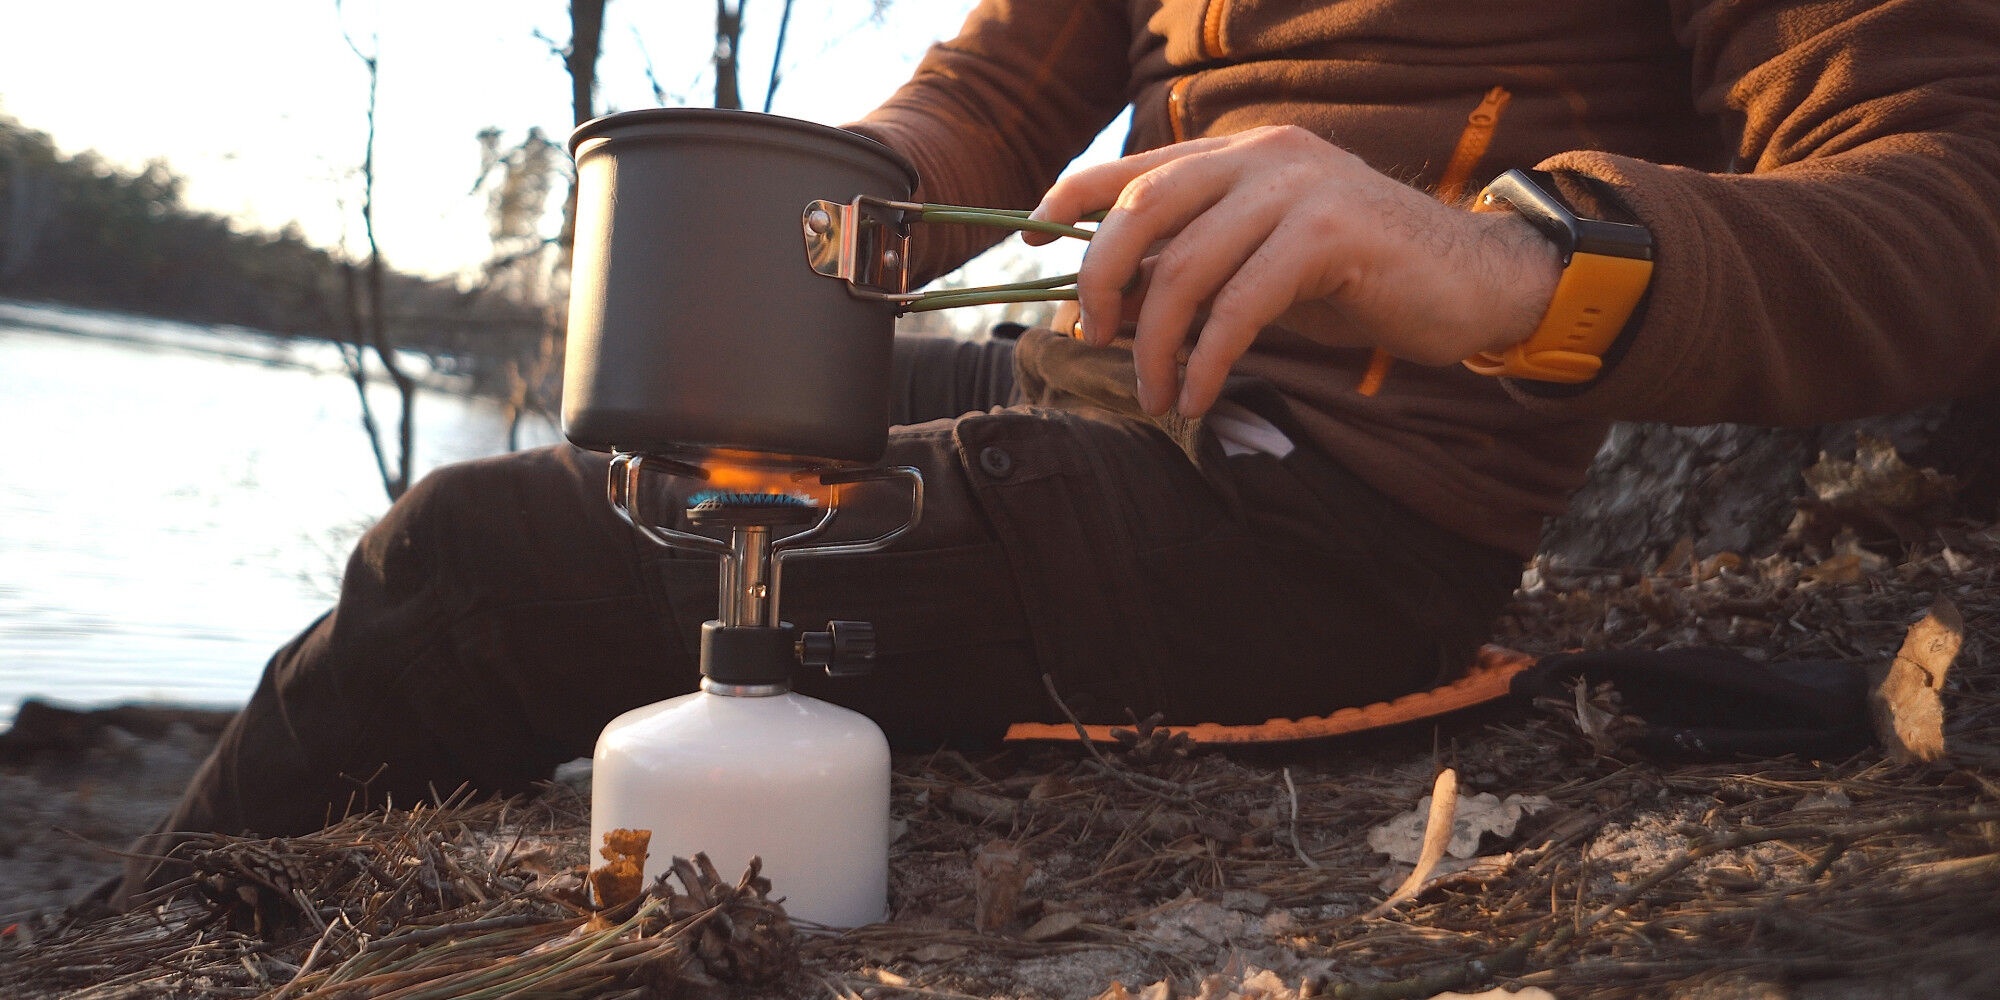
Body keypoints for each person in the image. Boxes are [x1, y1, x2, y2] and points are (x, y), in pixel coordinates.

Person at [117, 0, 1998, 900]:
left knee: (481, 570)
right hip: (1079, 389)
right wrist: (781, 221)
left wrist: (1501, 261)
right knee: (537, 505)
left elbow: (1956, 198)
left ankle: (124, 953)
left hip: (1317, 525)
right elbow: (993, 93)